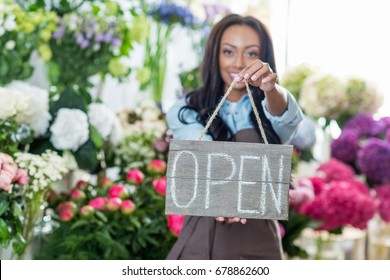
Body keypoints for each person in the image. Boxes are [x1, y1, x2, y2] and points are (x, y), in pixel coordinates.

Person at [165, 14, 304, 260]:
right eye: (228, 52)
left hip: (258, 244)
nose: (239, 63)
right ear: (214, 56)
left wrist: (271, 88)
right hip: (201, 239)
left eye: (251, 54)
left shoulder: (271, 109)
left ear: (265, 59)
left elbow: (287, 116)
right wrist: (223, 197)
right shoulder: (185, 111)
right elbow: (206, 161)